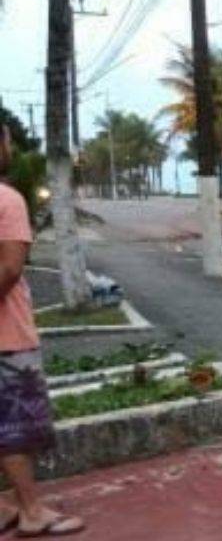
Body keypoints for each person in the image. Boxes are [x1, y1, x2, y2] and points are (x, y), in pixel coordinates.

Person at [0, 126, 85, 537]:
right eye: (7, 141)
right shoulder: (7, 199)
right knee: (14, 428)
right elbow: (10, 269)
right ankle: (32, 511)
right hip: (6, 336)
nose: (11, 148)